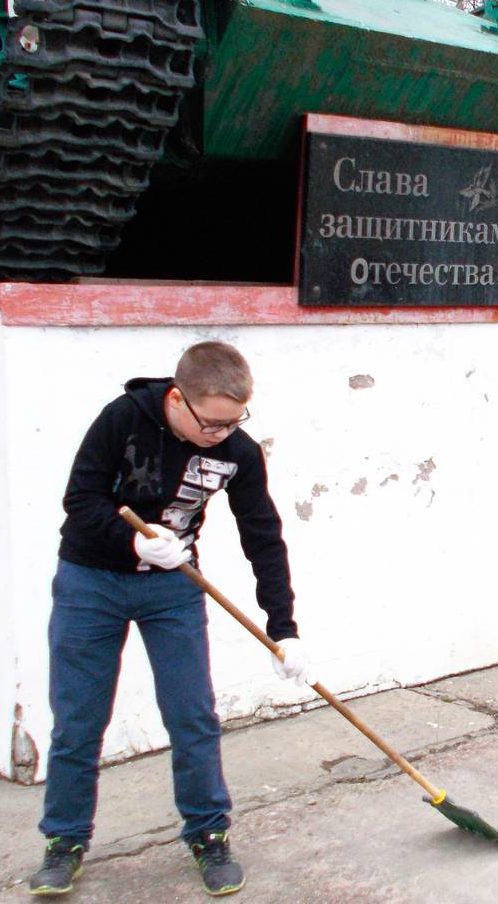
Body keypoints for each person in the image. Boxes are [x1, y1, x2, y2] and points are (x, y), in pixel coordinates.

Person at [28, 340, 315, 896]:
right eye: (212, 424)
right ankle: (64, 842)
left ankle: (209, 834)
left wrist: (284, 626)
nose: (222, 434)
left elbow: (262, 534)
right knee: (79, 721)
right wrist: (134, 540)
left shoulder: (239, 451)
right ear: (178, 400)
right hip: (90, 582)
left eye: (235, 421)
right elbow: (80, 500)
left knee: (193, 717)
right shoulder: (122, 420)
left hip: (173, 589)